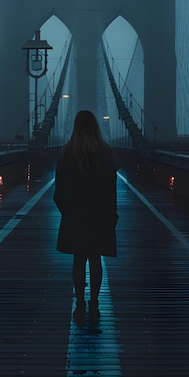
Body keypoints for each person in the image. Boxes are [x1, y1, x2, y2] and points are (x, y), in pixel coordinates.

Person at [54, 110, 118, 326]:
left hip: (76, 215)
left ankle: (80, 303)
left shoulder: (66, 154)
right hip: (99, 214)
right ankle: (94, 302)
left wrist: (68, 212)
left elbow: (59, 192)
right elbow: (111, 190)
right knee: (96, 259)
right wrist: (111, 215)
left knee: (78, 260)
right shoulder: (107, 153)